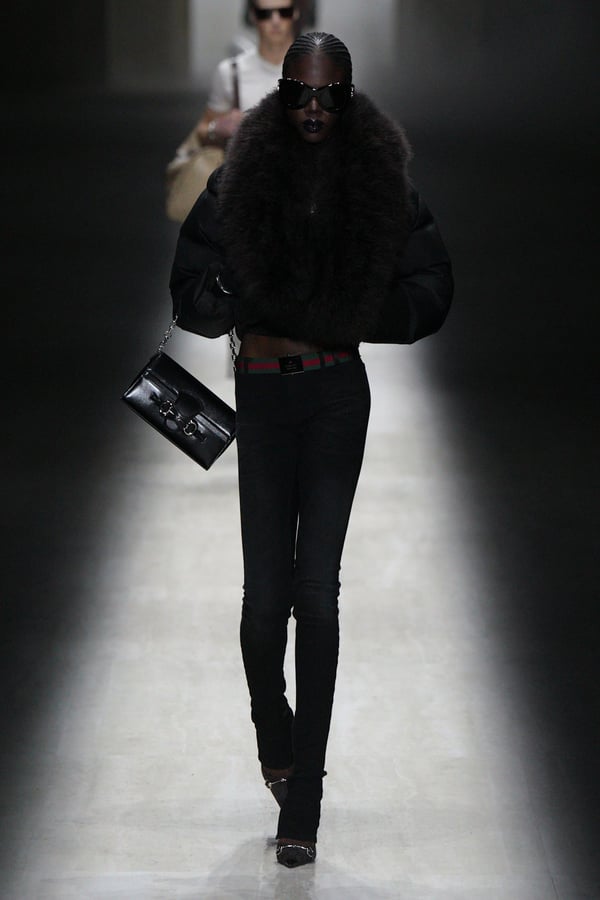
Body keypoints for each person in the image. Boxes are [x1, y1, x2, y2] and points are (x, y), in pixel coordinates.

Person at [170, 32, 453, 868]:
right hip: (263, 396)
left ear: (349, 96)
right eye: (300, 92)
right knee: (264, 604)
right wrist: (237, 289)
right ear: (282, 93)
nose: (316, 108)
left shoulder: (378, 183)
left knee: (316, 597)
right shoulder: (242, 178)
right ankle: (274, 735)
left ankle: (306, 799)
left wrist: (346, 312)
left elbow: (432, 289)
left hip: (334, 394)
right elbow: (189, 293)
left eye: (330, 95)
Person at [166, 1, 299, 222]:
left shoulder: (313, 69)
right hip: (246, 197)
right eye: (265, 14)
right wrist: (218, 128)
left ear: (294, 13)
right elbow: (202, 130)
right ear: (253, 16)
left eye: (283, 12)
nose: (275, 21)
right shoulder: (232, 72)